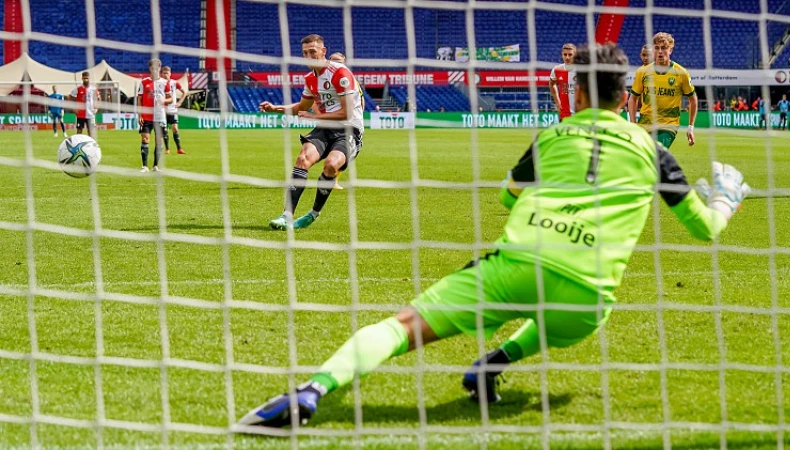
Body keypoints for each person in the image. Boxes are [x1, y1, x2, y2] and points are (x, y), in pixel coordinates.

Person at [237, 43, 751, 430]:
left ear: (578, 91)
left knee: (401, 327)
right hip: (588, 295)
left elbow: (508, 199)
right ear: (627, 94)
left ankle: (309, 392)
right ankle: (495, 363)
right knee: (581, 316)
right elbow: (704, 229)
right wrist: (726, 198)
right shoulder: (652, 151)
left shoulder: (553, 135)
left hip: (515, 266)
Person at [259, 34, 364, 230]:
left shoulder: (339, 72)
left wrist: (314, 117)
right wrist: (276, 108)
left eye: (312, 52)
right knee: (303, 159)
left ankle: (313, 213)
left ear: (323, 52)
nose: (308, 56)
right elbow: (303, 106)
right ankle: (286, 215)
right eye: (305, 53)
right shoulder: (310, 78)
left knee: (331, 166)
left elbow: (346, 113)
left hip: (349, 130)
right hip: (324, 128)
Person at [628, 32, 698, 148]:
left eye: (664, 48)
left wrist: (690, 127)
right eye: (657, 48)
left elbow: (693, 99)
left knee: (656, 152)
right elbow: (633, 98)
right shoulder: (643, 72)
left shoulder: (681, 73)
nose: (660, 51)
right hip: (645, 124)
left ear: (670, 50)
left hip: (668, 125)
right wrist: (633, 124)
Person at [327, 52, 365, 190]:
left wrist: (359, 116)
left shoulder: (351, 80)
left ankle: (332, 177)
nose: (336, 64)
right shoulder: (324, 79)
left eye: (340, 62)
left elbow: (360, 99)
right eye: (333, 61)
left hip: (351, 121)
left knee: (348, 152)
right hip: (333, 121)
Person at [137, 58, 172, 172]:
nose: (155, 70)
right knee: (145, 139)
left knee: (159, 141)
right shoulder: (144, 82)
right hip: (146, 116)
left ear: (159, 68)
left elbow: (170, 99)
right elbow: (139, 99)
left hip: (160, 116)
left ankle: (155, 166)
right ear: (150, 69)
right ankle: (144, 166)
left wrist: (164, 101)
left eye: (156, 68)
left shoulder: (165, 83)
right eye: (152, 68)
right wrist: (139, 115)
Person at [161, 66, 187, 155]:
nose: (165, 75)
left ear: (170, 74)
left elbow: (184, 92)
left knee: (175, 128)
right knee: (164, 130)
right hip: (163, 110)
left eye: (167, 73)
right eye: (164, 73)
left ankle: (179, 148)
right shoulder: (159, 84)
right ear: (161, 74)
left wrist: (180, 102)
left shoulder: (175, 83)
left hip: (173, 110)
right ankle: (167, 149)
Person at [549, 43, 577, 121]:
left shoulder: (582, 70)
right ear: (562, 54)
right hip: (564, 114)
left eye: (570, 55)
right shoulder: (557, 69)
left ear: (575, 55)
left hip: (579, 114)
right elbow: (551, 83)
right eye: (565, 54)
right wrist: (557, 102)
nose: (567, 57)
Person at [69, 71, 100, 139]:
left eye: (87, 78)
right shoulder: (78, 89)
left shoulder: (93, 89)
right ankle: (77, 145)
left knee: (91, 132)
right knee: (79, 131)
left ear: (89, 78)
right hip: (80, 114)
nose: (86, 79)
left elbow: (99, 99)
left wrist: (96, 108)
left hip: (91, 114)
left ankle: (91, 147)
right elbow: (69, 97)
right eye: (84, 78)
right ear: (82, 78)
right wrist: (73, 108)